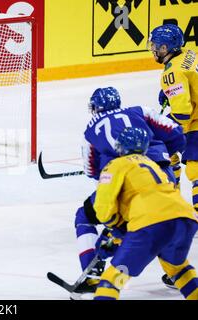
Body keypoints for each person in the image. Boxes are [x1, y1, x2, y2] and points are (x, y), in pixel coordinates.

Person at [73, 86, 186, 298]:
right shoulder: (140, 111)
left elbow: (92, 171)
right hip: (162, 176)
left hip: (123, 183)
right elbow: (176, 133)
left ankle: (92, 275)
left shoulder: (90, 130)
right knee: (161, 221)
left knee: (84, 217)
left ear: (95, 107)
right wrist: (165, 157)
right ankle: (176, 272)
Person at [89, 127, 198, 300]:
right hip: (185, 218)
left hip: (151, 224)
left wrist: (114, 230)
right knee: (178, 269)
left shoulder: (114, 165)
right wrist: (119, 237)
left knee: (113, 278)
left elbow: (103, 207)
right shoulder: (152, 164)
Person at [148, 24, 198, 211]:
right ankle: (172, 198)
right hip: (195, 113)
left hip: (193, 118)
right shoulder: (187, 53)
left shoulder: (172, 73)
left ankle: (171, 202)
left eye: (155, 46)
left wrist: (166, 130)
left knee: (194, 167)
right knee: (166, 149)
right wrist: (170, 91)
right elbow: (188, 77)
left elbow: (183, 113)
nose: (152, 49)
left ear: (165, 48)